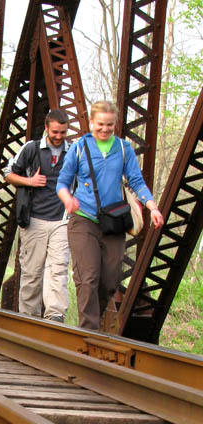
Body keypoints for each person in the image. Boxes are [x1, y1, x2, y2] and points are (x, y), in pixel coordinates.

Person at [57, 100, 164, 330]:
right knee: (88, 278)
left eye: (110, 126)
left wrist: (152, 207)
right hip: (83, 219)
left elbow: (136, 181)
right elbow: (62, 183)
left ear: (115, 125)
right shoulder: (79, 148)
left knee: (110, 281)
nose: (104, 130)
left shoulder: (123, 149)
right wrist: (68, 200)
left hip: (113, 222)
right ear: (91, 122)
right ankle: (88, 331)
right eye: (100, 125)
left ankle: (91, 321)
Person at [4, 109, 71, 322]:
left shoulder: (74, 152)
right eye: (55, 132)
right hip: (34, 219)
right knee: (32, 274)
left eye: (63, 132)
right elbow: (8, 174)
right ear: (46, 128)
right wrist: (29, 181)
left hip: (61, 220)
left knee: (58, 270)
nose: (59, 136)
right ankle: (28, 319)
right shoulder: (31, 149)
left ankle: (54, 317)